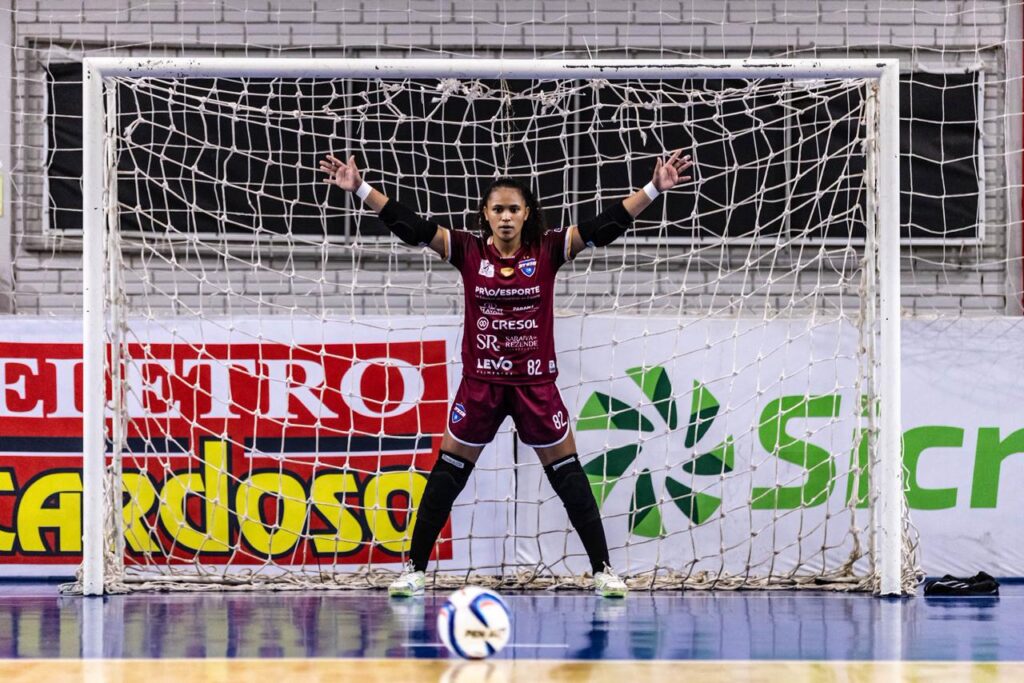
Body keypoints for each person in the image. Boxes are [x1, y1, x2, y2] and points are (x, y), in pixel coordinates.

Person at [320, 150, 693, 598]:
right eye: (497, 208)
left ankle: (603, 570)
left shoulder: (549, 248)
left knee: (569, 477)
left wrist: (654, 188)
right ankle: (415, 570)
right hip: (482, 385)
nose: (505, 217)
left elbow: (603, 226)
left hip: (535, 387)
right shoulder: (467, 249)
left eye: (514, 208)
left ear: (526, 213)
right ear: (486, 214)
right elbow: (413, 228)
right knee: (447, 475)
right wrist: (359, 188)